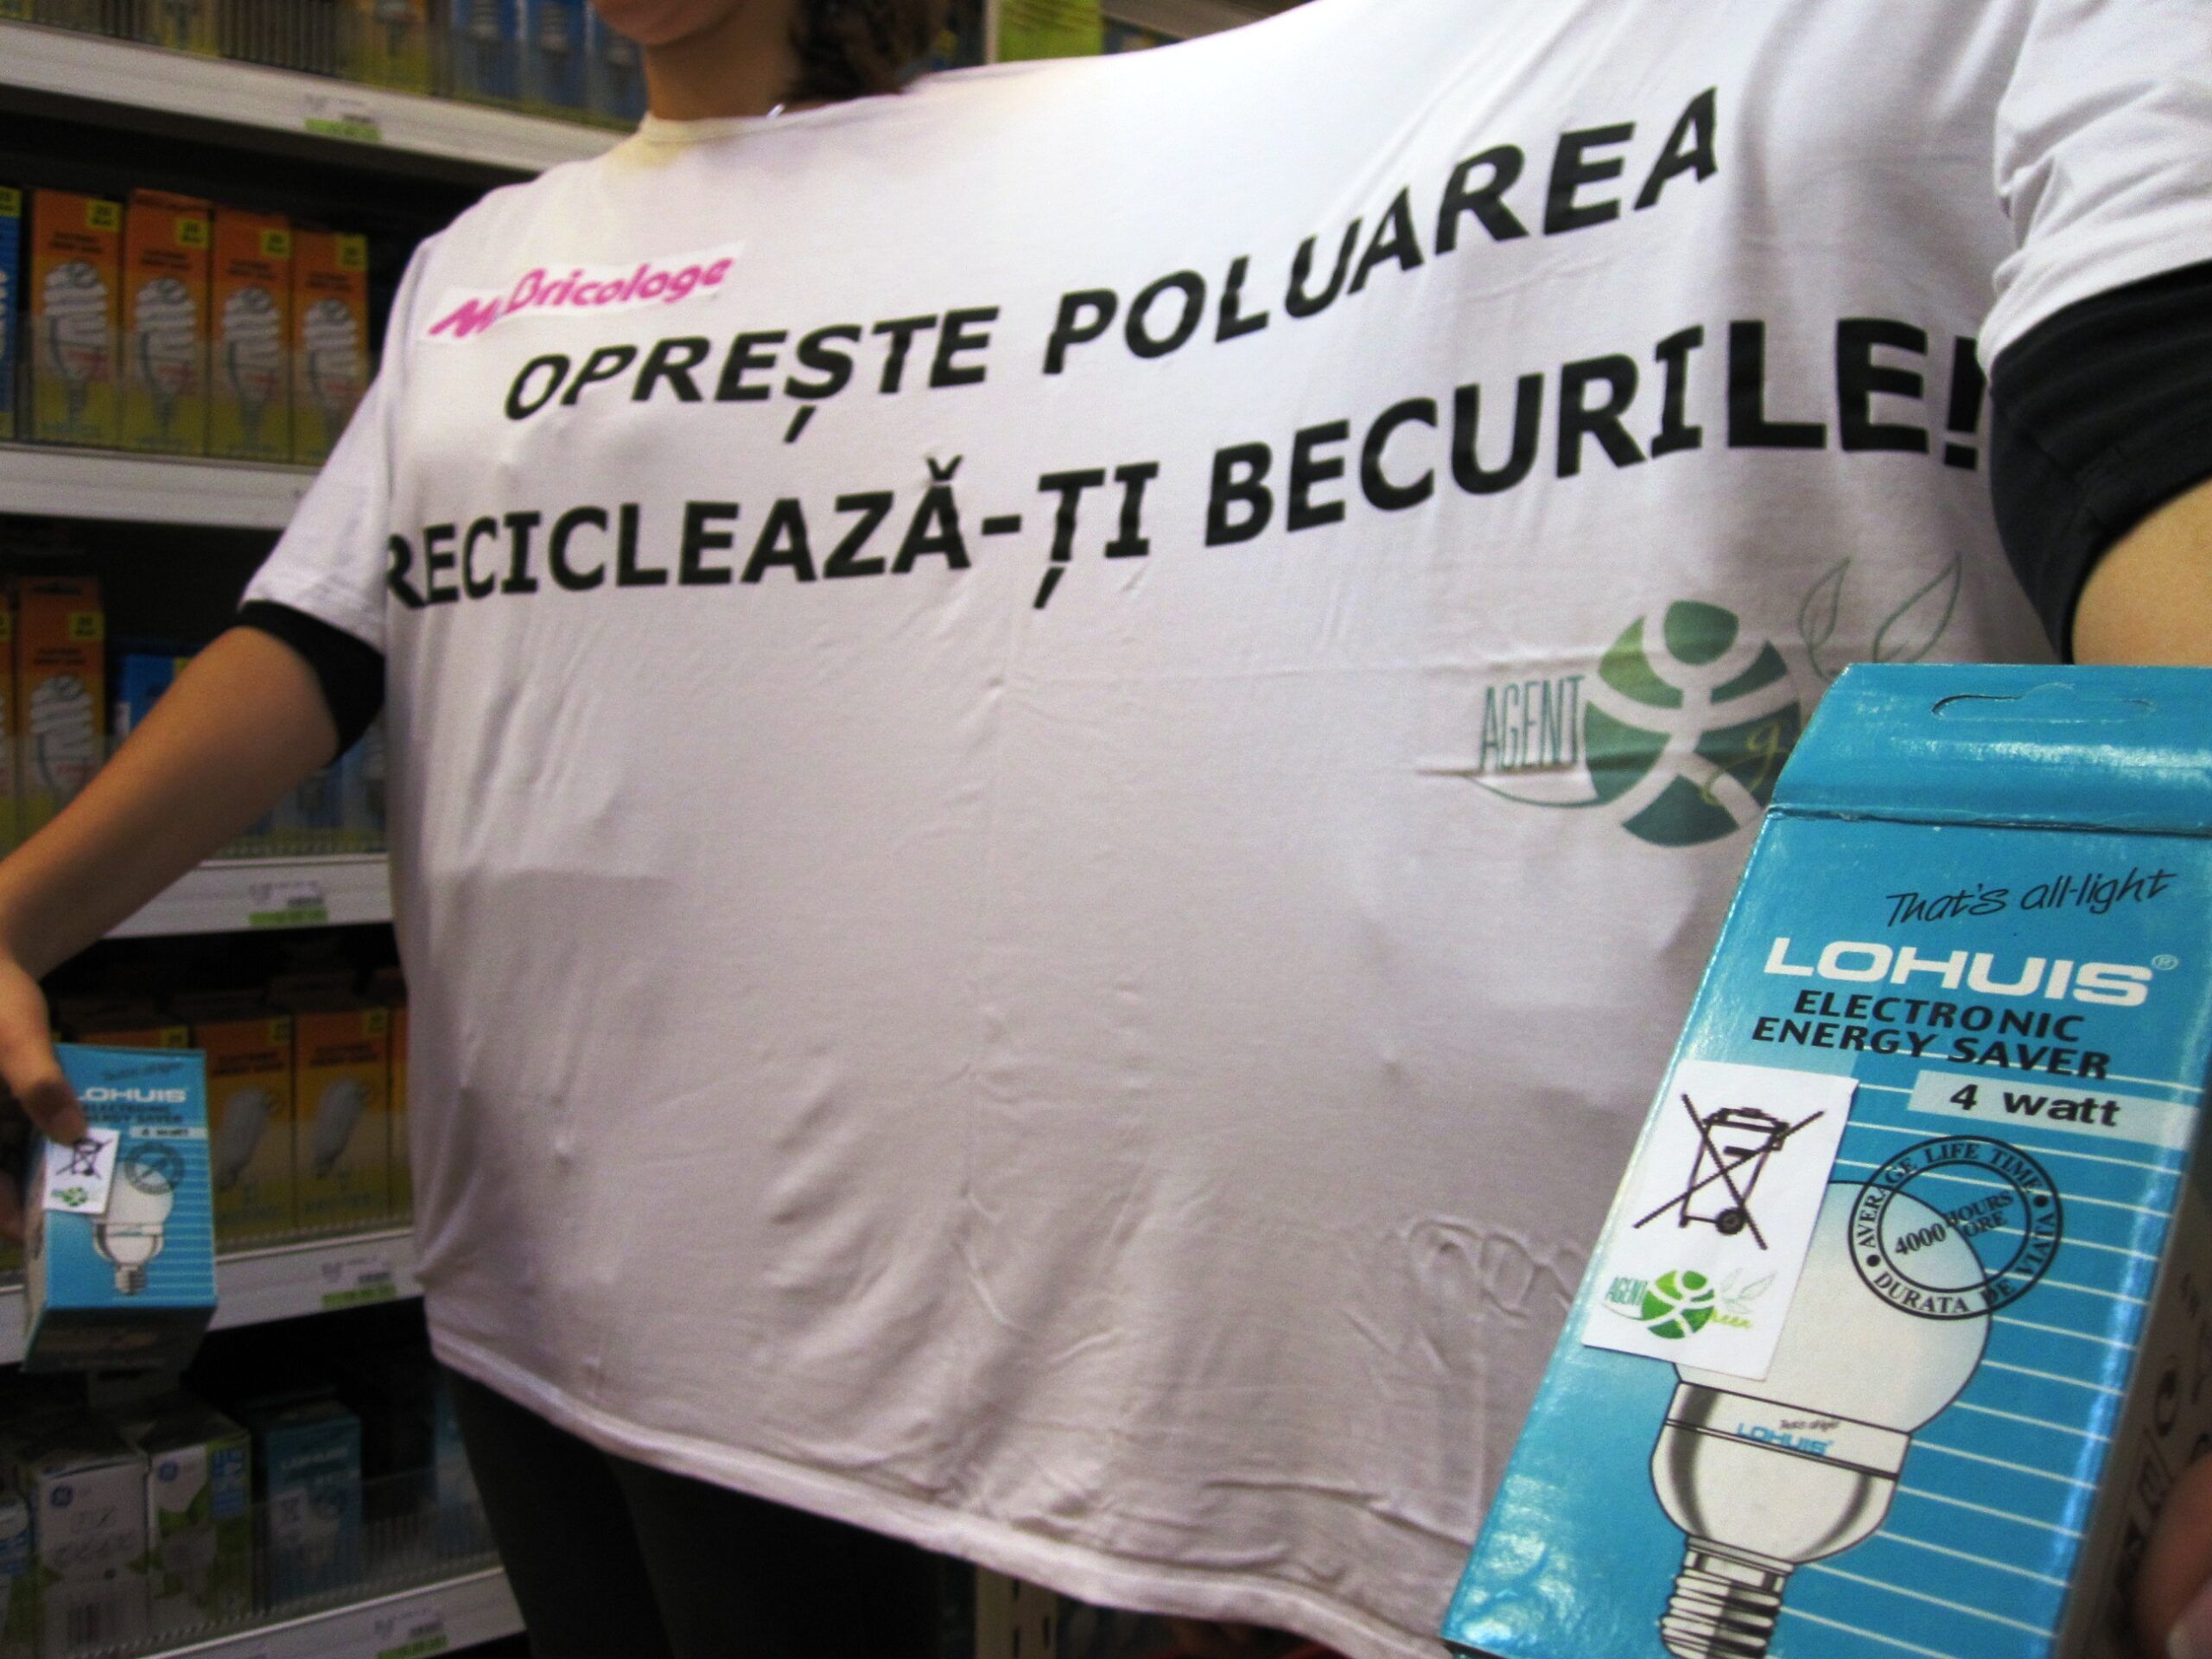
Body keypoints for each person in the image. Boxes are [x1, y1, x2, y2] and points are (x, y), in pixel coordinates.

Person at [0, 1, 2207, 1656]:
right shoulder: (483, 265)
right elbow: (320, 641)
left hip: (839, 1251)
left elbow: (2130, 460)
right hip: (532, 1210)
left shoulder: (1033, 174)